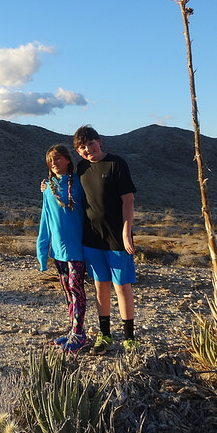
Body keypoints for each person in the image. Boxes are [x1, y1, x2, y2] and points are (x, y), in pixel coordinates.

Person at [73, 125, 138, 353]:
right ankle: (105, 335)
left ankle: (129, 338)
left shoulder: (116, 164)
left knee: (122, 286)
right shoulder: (81, 168)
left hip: (117, 238)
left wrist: (126, 232)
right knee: (101, 286)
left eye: (91, 144)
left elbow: (128, 201)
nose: (88, 149)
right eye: (82, 147)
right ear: (79, 151)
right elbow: (61, 181)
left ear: (100, 142)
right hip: (91, 238)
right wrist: (45, 186)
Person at [36, 144, 89, 353]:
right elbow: (45, 220)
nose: (54, 163)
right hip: (58, 250)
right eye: (50, 160)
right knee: (67, 291)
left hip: (78, 247)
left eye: (58, 158)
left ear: (68, 159)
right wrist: (42, 252)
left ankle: (78, 334)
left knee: (77, 289)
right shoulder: (48, 187)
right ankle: (75, 330)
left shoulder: (80, 182)